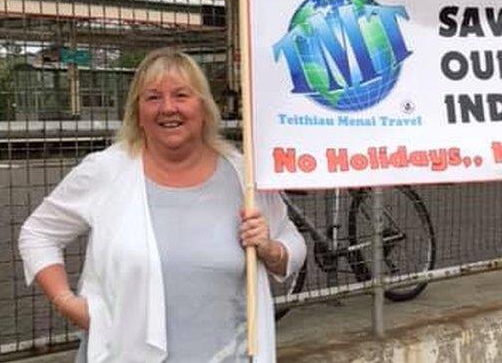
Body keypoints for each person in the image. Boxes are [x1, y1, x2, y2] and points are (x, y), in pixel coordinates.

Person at [19, 48, 306, 362]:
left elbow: (292, 244)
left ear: (204, 107)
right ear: (137, 112)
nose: (168, 108)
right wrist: (67, 302)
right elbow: (38, 234)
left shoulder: (243, 175)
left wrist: (270, 249)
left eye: (182, 95)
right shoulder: (107, 170)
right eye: (153, 97)